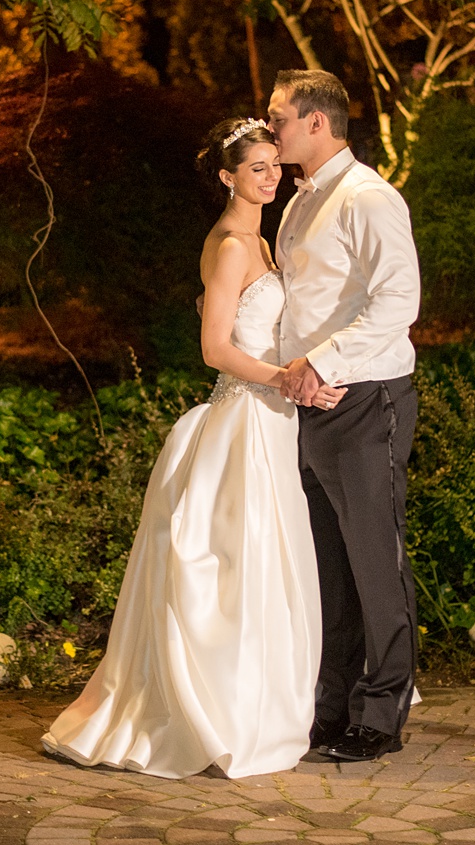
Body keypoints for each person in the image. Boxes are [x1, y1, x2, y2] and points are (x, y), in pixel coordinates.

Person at [41, 117, 343, 779]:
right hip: (243, 423)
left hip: (276, 419)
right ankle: (218, 713)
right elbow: (215, 348)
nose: (270, 176)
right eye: (256, 168)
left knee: (273, 572)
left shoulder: (266, 244)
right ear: (226, 177)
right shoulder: (233, 245)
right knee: (232, 572)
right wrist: (283, 378)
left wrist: (306, 375)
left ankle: (269, 706)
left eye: (273, 165)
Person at [268, 69, 422, 763]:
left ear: (316, 124)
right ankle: (331, 707)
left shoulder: (370, 198)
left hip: (365, 399)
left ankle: (382, 713)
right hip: (310, 403)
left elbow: (398, 301)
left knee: (374, 561)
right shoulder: (298, 204)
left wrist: (323, 365)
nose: (270, 130)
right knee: (330, 567)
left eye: (278, 119)